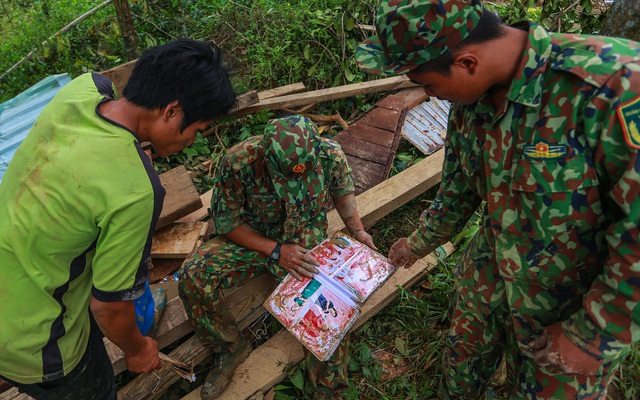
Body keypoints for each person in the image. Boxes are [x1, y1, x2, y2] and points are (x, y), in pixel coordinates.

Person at [356, 0, 640, 398]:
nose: (428, 94)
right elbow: (457, 190)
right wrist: (416, 244)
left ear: (467, 62)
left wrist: (595, 334)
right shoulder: (470, 101)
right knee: (460, 373)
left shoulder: (615, 86)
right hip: (489, 274)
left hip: (571, 303)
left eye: (428, 84)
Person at [0, 38, 236, 399]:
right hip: (38, 344)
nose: (194, 139)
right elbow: (109, 308)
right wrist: (138, 349)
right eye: (198, 129)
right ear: (172, 112)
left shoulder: (82, 91)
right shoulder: (136, 193)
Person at [178, 114, 376, 400]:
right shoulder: (238, 162)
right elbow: (228, 223)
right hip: (252, 235)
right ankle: (230, 347)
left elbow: (342, 192)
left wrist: (357, 231)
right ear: (264, 156)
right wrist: (275, 250)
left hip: (304, 236)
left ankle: (329, 390)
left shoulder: (329, 154)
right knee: (193, 274)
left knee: (325, 301)